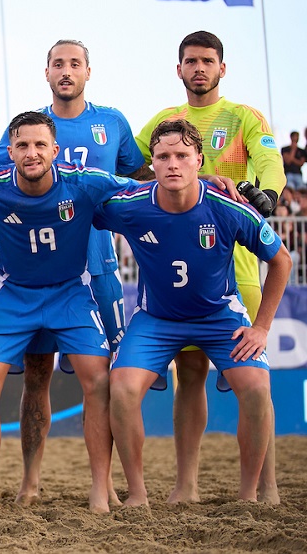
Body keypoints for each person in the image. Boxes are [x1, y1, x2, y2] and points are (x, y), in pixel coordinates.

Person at [0, 111, 133, 513]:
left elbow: (147, 192)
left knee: (98, 381)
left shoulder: (84, 181)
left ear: (55, 150)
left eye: (40, 145)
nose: (31, 153)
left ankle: (101, 486)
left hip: (70, 293)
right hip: (13, 294)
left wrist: (207, 184)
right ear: (9, 152)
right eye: (23, 146)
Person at [0, 40, 146, 505]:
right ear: (47, 72)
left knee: (108, 377)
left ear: (88, 72)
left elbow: (139, 180)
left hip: (100, 269)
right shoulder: (27, 128)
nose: (67, 71)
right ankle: (30, 481)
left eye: (75, 64)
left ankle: (108, 483)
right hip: (40, 270)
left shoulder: (111, 122)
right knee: (37, 377)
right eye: (58, 64)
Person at [98, 119, 291, 505]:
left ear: (198, 160)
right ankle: (138, 494)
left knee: (256, 389)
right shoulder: (132, 206)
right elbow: (80, 203)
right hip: (156, 320)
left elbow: (282, 260)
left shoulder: (228, 207)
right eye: (163, 156)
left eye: (182, 156)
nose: (172, 164)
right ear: (151, 163)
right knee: (120, 389)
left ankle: (249, 495)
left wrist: (262, 327)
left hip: (220, 317)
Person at [136, 30, 286, 504]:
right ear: (177, 69)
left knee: (256, 381)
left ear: (223, 68)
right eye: (190, 61)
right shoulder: (164, 121)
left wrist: (268, 195)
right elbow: (135, 167)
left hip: (239, 267)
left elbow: (270, 161)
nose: (199, 68)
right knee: (192, 375)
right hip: (188, 269)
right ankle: (186, 485)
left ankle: (268, 485)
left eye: (207, 60)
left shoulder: (243, 117)